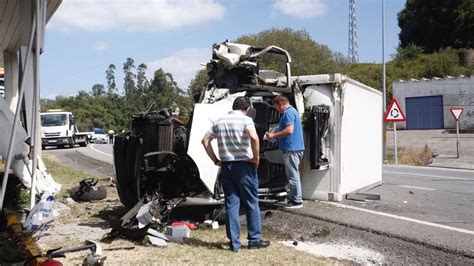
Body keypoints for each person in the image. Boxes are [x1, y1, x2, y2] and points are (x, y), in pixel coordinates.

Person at [201, 96, 270, 253]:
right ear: (246, 108)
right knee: (251, 203)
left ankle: (234, 243)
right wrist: (256, 159)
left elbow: (205, 140)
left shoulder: (219, 121)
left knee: (232, 204)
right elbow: (253, 137)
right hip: (245, 166)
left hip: (226, 167)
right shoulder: (246, 120)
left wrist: (215, 160)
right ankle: (254, 240)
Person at [265, 95, 305, 209]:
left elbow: (289, 130)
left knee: (292, 175)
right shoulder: (291, 112)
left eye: (276, 107)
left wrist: (273, 135)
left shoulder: (288, 113)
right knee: (293, 174)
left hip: (292, 149)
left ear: (281, 104)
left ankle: (296, 201)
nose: (277, 110)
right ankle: (293, 198)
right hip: (294, 148)